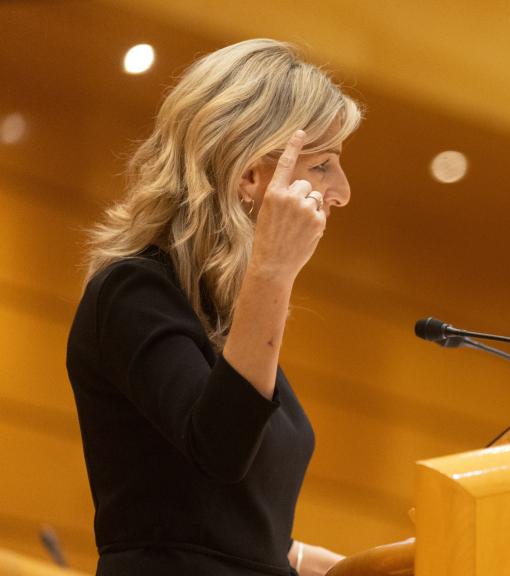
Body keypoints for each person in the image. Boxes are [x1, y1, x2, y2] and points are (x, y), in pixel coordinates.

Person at [66, 39, 362, 576]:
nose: (341, 191)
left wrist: (296, 557)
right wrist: (273, 270)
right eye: (322, 166)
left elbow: (206, 507)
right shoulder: (133, 290)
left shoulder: (220, 313)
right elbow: (220, 447)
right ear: (249, 175)